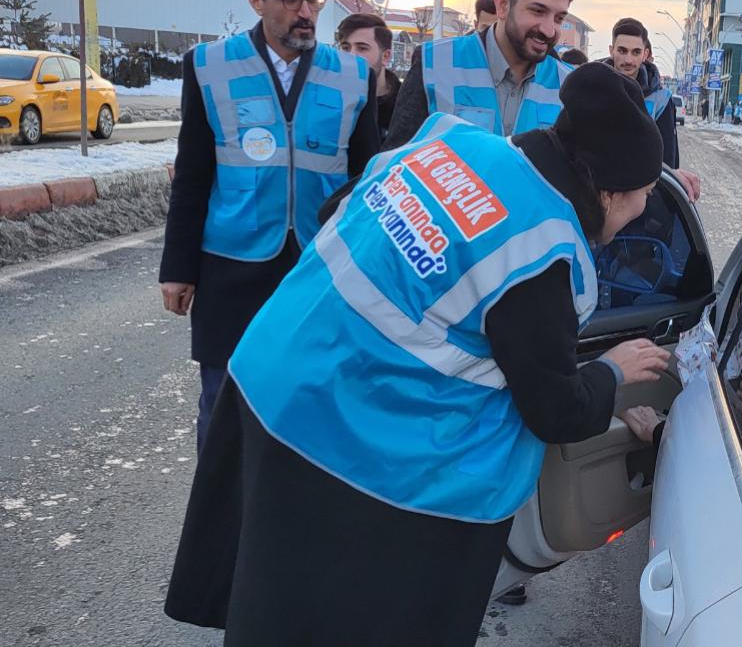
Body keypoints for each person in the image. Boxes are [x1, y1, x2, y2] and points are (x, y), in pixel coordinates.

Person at [165, 62, 672, 645]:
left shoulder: (452, 142)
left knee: (275, 602)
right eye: (644, 195)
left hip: (268, 378)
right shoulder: (540, 246)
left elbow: (339, 216)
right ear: (609, 191)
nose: (643, 210)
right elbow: (555, 410)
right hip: (343, 441)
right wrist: (611, 372)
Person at [159, 0, 380, 454]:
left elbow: (367, 181)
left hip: (319, 267)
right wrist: (178, 266)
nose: (307, 12)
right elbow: (192, 172)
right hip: (231, 264)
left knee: (314, 403)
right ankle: (220, 521)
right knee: (224, 402)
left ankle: (293, 521)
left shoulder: (353, 75)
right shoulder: (209, 66)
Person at [383, 0, 576, 149]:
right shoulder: (434, 63)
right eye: (537, 11)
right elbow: (395, 163)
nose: (549, 30)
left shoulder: (570, 85)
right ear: (502, 4)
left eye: (558, 18)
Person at [599, 18, 701, 201]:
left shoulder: (661, 101)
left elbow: (667, 166)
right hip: (594, 202)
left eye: (636, 52)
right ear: (611, 50)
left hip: (643, 208)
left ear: (645, 54)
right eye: (622, 51)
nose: (628, 59)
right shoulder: (591, 90)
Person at [337, 11, 400, 141]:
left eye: (362, 48)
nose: (352, 56)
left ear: (385, 57)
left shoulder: (405, 105)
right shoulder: (330, 99)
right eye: (345, 47)